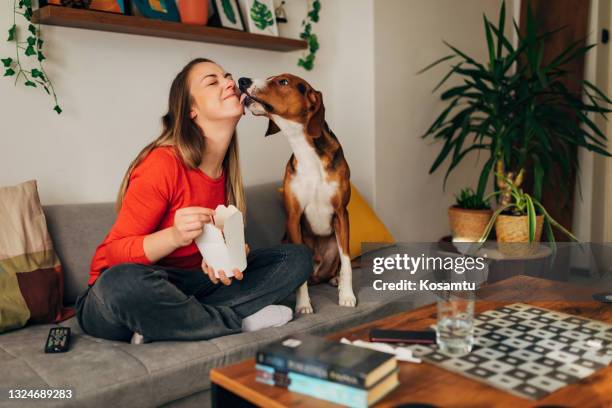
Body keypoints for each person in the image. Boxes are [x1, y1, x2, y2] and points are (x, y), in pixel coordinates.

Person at [75, 58, 313, 344]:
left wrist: (225, 259)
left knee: (297, 258)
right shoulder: (162, 164)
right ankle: (235, 322)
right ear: (191, 111)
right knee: (122, 284)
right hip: (115, 296)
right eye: (213, 82)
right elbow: (113, 254)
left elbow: (209, 260)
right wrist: (174, 236)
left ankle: (169, 324)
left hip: (189, 288)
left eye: (227, 77)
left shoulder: (227, 174)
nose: (229, 83)